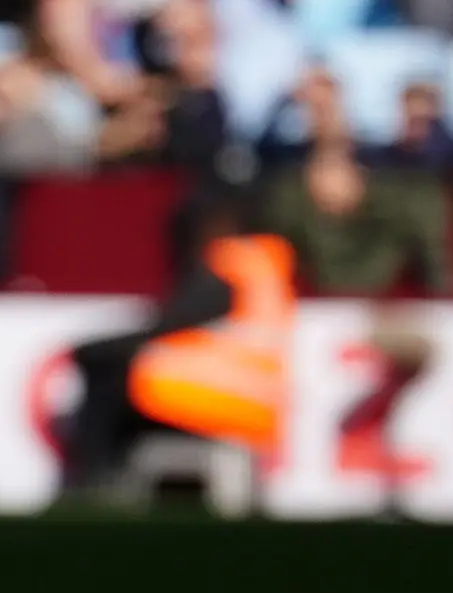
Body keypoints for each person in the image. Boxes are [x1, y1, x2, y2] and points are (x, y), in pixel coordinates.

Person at [60, 194, 298, 492]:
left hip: (225, 397)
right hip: (261, 401)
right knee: (116, 372)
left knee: (111, 375)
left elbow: (170, 325)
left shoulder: (228, 264)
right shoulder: (266, 263)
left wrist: (90, 350)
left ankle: (97, 482)